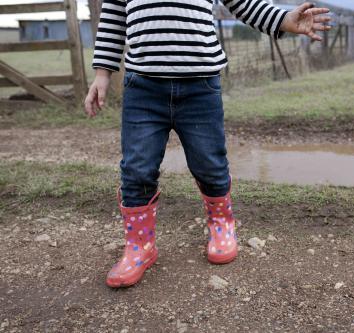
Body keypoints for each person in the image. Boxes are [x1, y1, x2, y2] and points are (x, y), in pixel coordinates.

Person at [84, 0, 331, 288]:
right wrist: (102, 74)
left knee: (209, 164)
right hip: (143, 89)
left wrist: (284, 19)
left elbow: (245, 4)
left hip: (199, 87)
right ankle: (139, 246)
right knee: (136, 168)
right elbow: (113, 19)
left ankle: (222, 225)